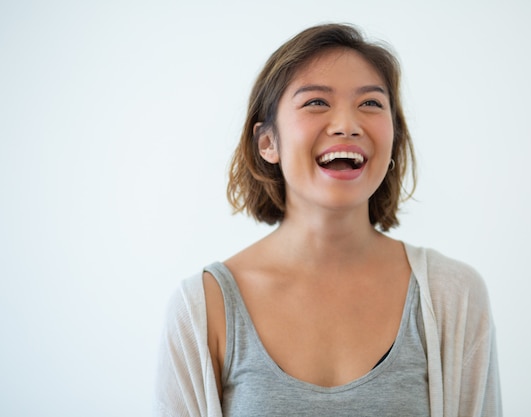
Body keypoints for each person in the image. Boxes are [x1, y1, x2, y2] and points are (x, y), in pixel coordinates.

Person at [154, 23, 502, 417]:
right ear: (268, 142)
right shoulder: (202, 309)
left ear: (393, 139)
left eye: (370, 103)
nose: (347, 125)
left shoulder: (452, 295)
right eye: (316, 102)